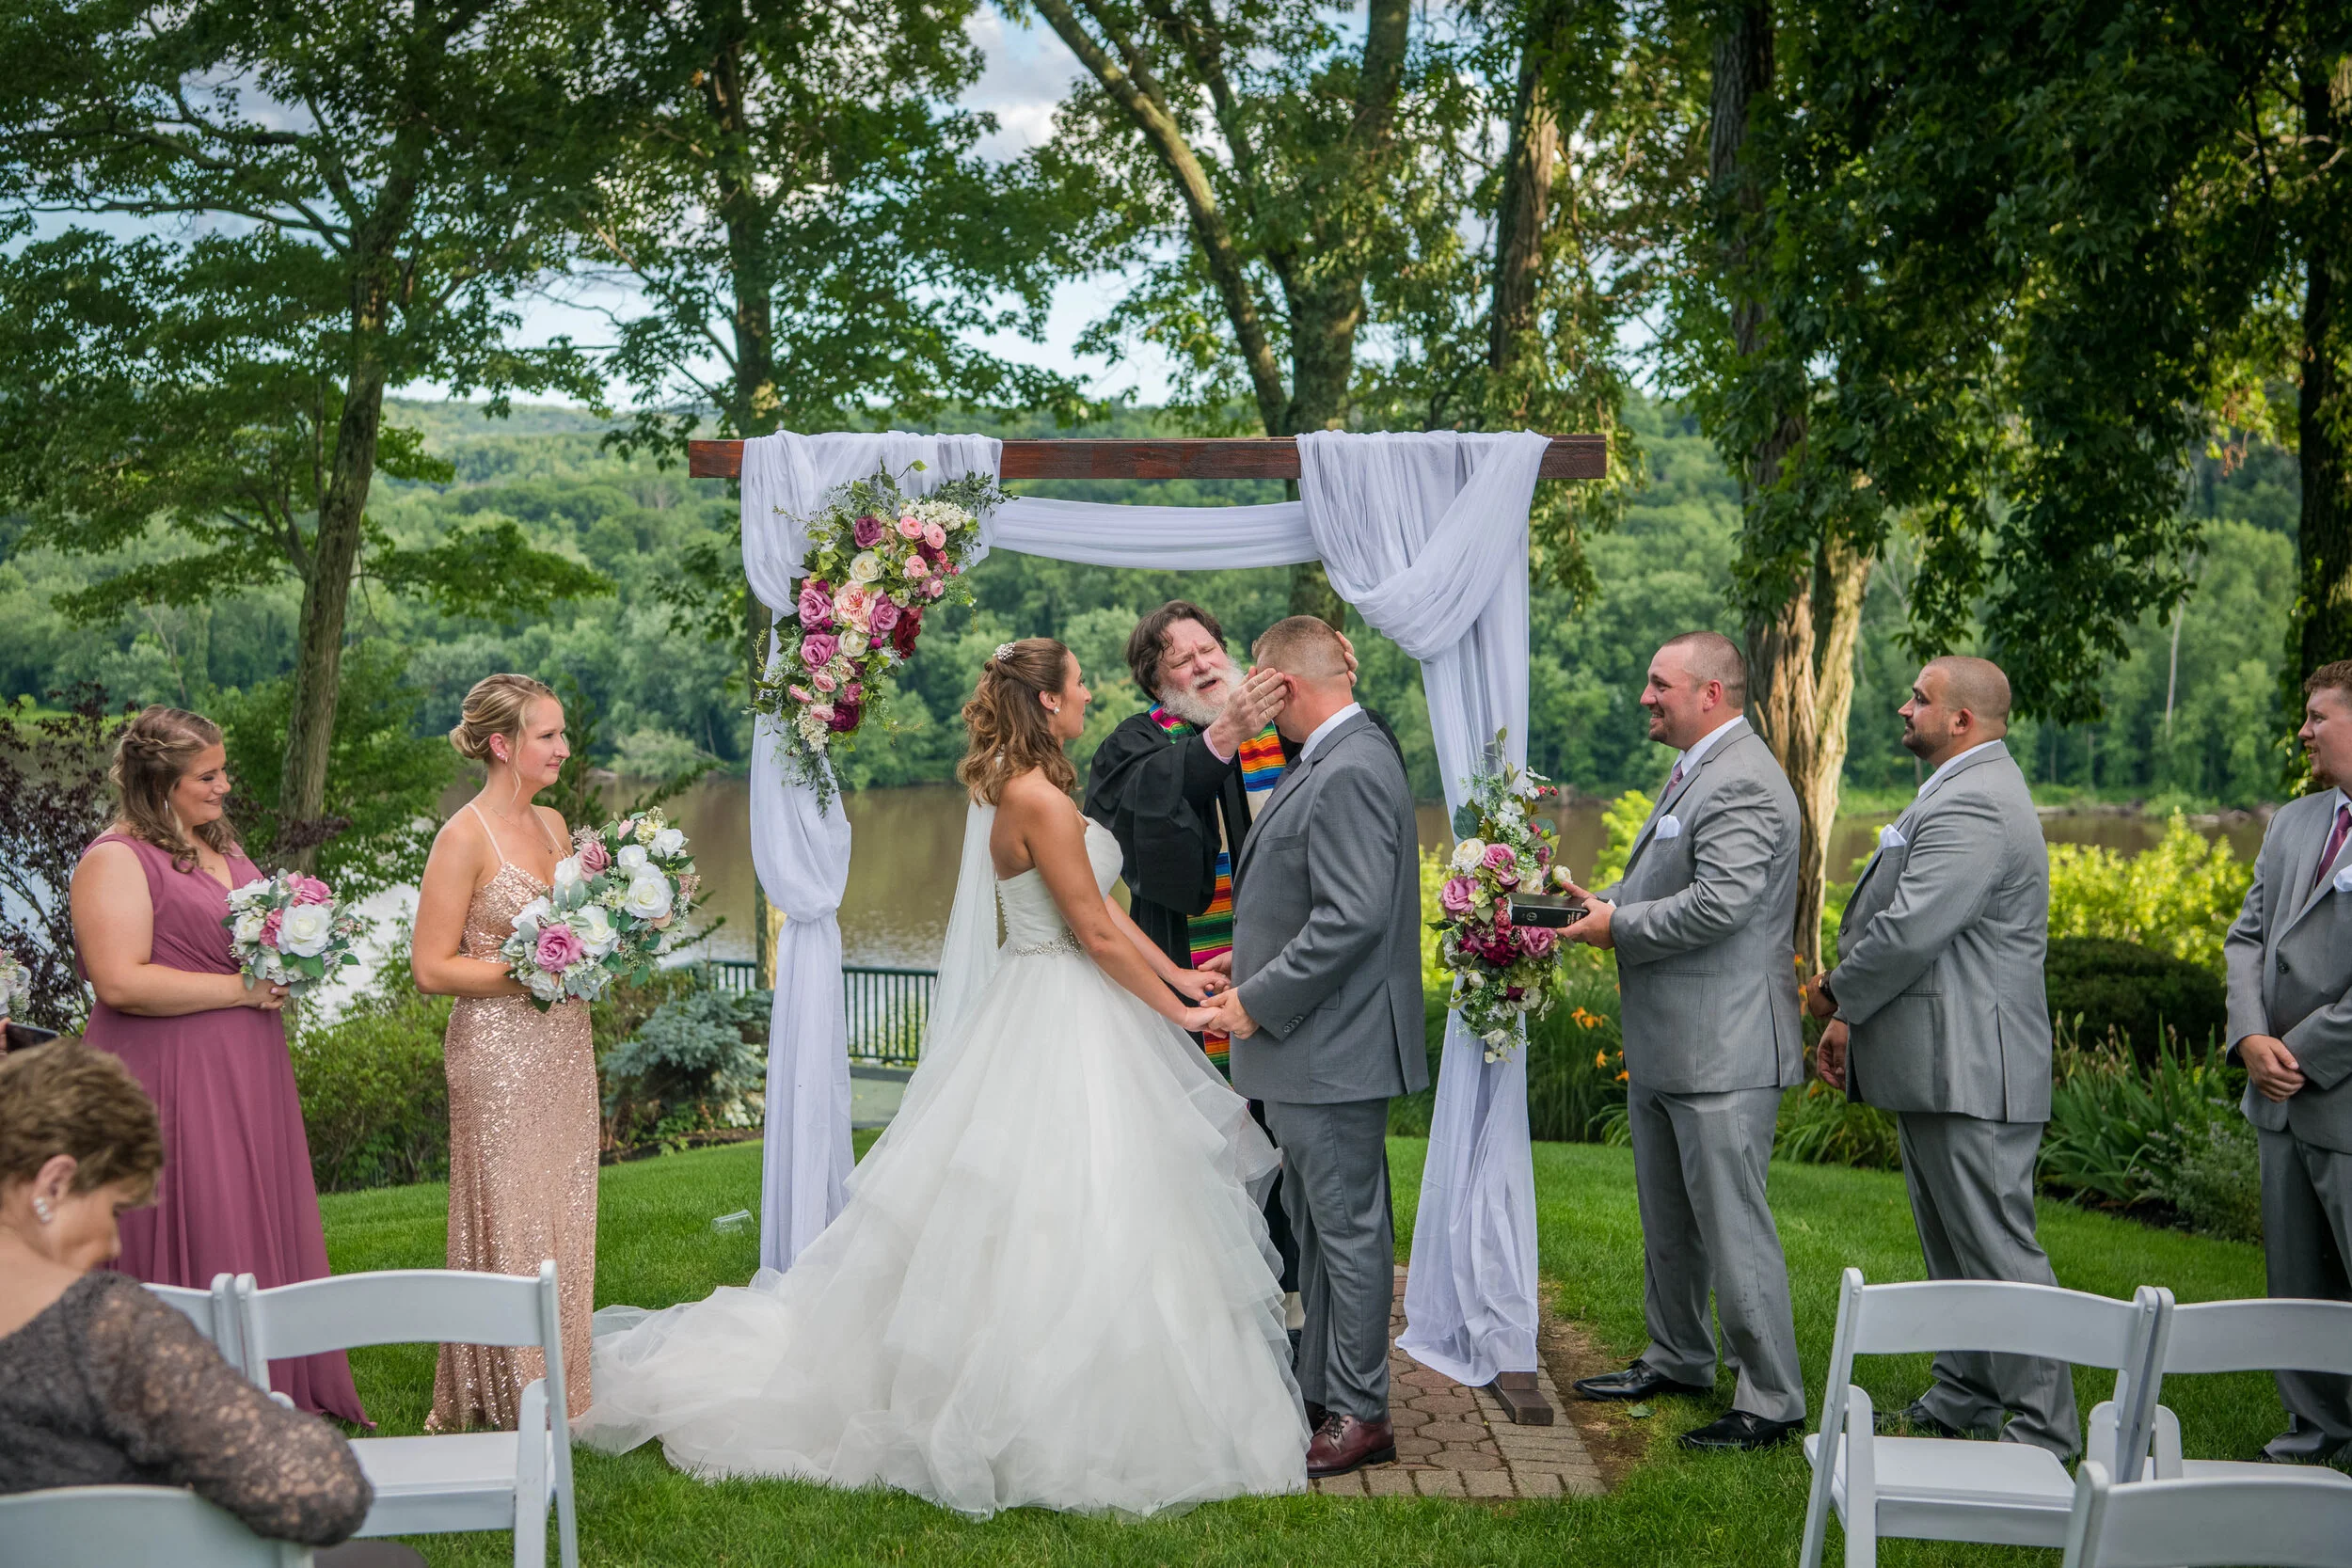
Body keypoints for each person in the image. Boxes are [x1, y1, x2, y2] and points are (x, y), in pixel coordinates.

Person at [576, 639, 1308, 1518]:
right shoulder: (1032, 797)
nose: (1087, 697)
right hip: (1058, 1008)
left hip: (1069, 997)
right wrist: (1181, 1013)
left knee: (1108, 1195)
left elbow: (1109, 908)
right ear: (1044, 703)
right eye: (1076, 686)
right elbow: (1093, 933)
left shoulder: (1042, 789)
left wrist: (1184, 975)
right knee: (1061, 1202)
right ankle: (1038, 1410)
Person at [1808, 656, 2078, 1458]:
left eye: (1919, 699)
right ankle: (1965, 1392)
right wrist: (1855, 1021)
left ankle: (2044, 1430)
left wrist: (1835, 992)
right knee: (1955, 1250)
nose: (1905, 707)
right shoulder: (1958, 788)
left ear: (1962, 720)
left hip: (1974, 1068)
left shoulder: (1979, 803)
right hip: (1939, 1063)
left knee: (1998, 1250)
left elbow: (1911, 928)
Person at [70, 705, 365, 1423]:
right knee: (195, 1212)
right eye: (208, 774)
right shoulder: (115, 858)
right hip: (166, 1075)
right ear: (159, 781)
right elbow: (119, 981)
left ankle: (266, 1383)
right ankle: (182, 1401)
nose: (225, 785)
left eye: (223, 770)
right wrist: (241, 988)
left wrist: (294, 954)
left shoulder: (215, 843)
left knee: (246, 1209)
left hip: (245, 1068)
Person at [1554, 632, 1807, 1450]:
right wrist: (1598, 900)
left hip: (1724, 1046)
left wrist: (1614, 926)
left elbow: (1720, 905)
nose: (1644, 696)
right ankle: (1679, 1355)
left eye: (1658, 683)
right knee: (1670, 1220)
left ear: (1710, 693)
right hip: (1674, 1041)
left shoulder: (1743, 782)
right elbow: (1669, 880)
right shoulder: (1698, 767)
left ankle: (1771, 1399)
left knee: (1733, 1227)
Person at [0, 1038, 373, 1547]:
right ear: (56, 1183)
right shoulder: (101, 1325)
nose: (113, 1242)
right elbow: (327, 1497)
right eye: (115, 1210)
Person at [1207, 616, 1426, 1480]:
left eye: (1258, 685)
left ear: (1284, 686)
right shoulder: (1332, 759)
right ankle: (1323, 1382)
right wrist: (1247, 955)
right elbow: (1313, 900)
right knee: (1316, 1223)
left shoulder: (1352, 766)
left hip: (1327, 1048)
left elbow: (1352, 917)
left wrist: (1255, 1001)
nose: (1249, 701)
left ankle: (1363, 1412)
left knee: (1347, 1230)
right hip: (1310, 1048)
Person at [1082, 600, 1305, 1323]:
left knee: (1283, 1137)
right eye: (1184, 659)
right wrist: (1217, 742)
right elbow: (1134, 821)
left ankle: (1291, 1291)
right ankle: (1200, 1300)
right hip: (1184, 970)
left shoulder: (1283, 732)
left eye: (1210, 648)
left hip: (1284, 973)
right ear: (1155, 679)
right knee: (1197, 1138)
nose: (1206, 664)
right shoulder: (1135, 744)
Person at [411, 673, 599, 1432]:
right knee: (512, 1214)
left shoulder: (554, 823)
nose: (562, 746)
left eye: (560, 733)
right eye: (548, 735)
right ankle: (505, 1384)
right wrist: (533, 971)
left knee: (565, 1206)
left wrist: (598, 946)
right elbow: (430, 968)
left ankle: (565, 1375)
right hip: (497, 1054)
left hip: (564, 1044)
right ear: (502, 744)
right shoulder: (462, 838)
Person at [2221, 660, 2352, 1465]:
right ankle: (2318, 1425)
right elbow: (2246, 937)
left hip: (2338, 1091)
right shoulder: (2294, 820)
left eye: (2317, 716)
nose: (2302, 730)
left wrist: (2296, 1050)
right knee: (2295, 1279)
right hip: (2274, 1093)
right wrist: (2248, 1037)